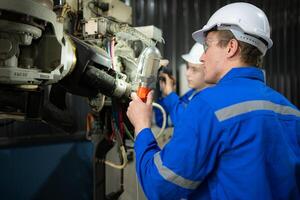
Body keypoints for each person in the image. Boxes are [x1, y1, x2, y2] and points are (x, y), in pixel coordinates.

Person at [127, 2, 300, 200]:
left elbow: (160, 185)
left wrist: (141, 126)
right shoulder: (292, 112)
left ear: (231, 48)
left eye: (207, 46)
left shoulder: (209, 106)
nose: (202, 57)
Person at [155, 43, 209, 127]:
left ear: (209, 71)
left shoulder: (209, 101)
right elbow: (163, 122)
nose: (187, 73)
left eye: (194, 69)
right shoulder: (191, 95)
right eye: (188, 67)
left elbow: (185, 126)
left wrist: (170, 95)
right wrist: (165, 95)